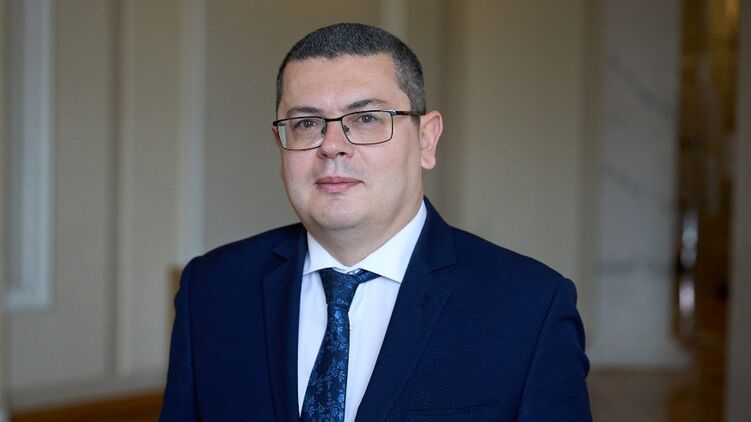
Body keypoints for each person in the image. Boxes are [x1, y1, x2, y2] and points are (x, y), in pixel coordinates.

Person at [161, 23, 592, 421]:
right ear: (281, 145)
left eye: (366, 119)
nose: (332, 146)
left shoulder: (529, 307)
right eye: (306, 123)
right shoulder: (211, 290)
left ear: (426, 140)